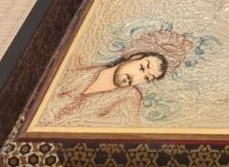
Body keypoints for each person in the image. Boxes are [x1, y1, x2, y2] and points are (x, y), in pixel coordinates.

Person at [45, 29, 192, 126]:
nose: (137, 77)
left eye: (147, 78)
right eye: (142, 68)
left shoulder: (129, 98)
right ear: (135, 56)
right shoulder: (80, 67)